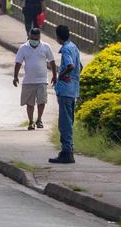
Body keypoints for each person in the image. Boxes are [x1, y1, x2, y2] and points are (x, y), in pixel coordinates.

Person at [13, 28, 57, 131]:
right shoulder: (23, 48)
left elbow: (52, 62)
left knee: (42, 101)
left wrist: (55, 76)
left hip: (42, 80)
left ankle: (39, 119)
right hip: (28, 80)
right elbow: (18, 63)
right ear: (29, 36)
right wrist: (15, 76)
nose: (34, 40)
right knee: (29, 103)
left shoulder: (46, 47)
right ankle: (31, 122)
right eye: (32, 38)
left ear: (39, 37)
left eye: (36, 38)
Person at [50, 24, 81, 164]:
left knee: (65, 122)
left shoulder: (66, 49)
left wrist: (59, 75)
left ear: (58, 37)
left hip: (65, 90)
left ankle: (66, 152)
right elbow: (79, 66)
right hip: (73, 89)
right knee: (68, 120)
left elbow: (71, 66)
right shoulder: (74, 47)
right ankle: (68, 150)